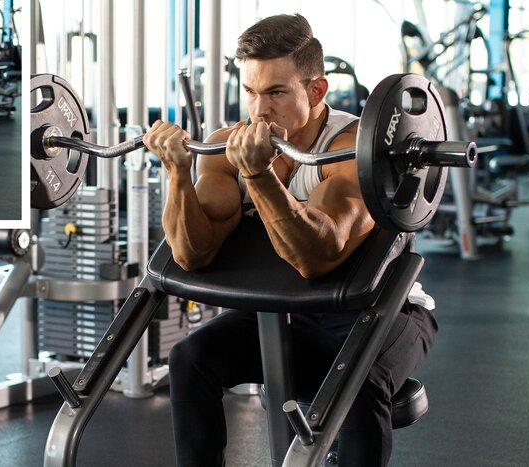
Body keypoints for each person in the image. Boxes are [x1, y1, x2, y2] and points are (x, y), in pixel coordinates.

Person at [142, 14, 438, 467]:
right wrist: (178, 174)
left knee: (357, 383)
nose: (259, 111)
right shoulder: (228, 146)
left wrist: (259, 176)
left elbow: (317, 256)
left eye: (276, 92)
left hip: (382, 315)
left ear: (316, 91)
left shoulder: (353, 150)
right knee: (190, 357)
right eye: (251, 92)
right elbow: (191, 253)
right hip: (288, 316)